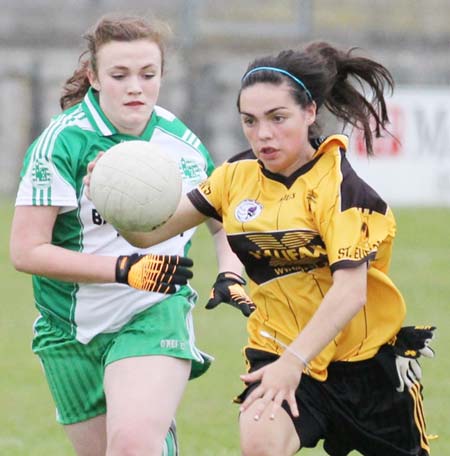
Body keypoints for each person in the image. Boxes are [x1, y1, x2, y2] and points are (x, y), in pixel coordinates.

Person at [100, 42, 436, 455]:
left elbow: (350, 292)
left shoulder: (344, 192)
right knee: (259, 443)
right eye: (250, 121)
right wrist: (112, 194)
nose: (263, 134)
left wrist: (295, 363)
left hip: (367, 368)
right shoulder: (233, 179)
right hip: (276, 354)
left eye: (278, 118)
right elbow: (148, 234)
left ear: (310, 112)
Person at [9, 14, 246, 456]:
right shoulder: (62, 144)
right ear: (93, 77)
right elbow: (26, 250)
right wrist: (124, 269)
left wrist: (230, 271)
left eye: (147, 74)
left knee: (133, 447)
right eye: (119, 75)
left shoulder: (181, 143)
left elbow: (221, 217)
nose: (135, 87)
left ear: (162, 76)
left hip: (155, 311)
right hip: (68, 329)